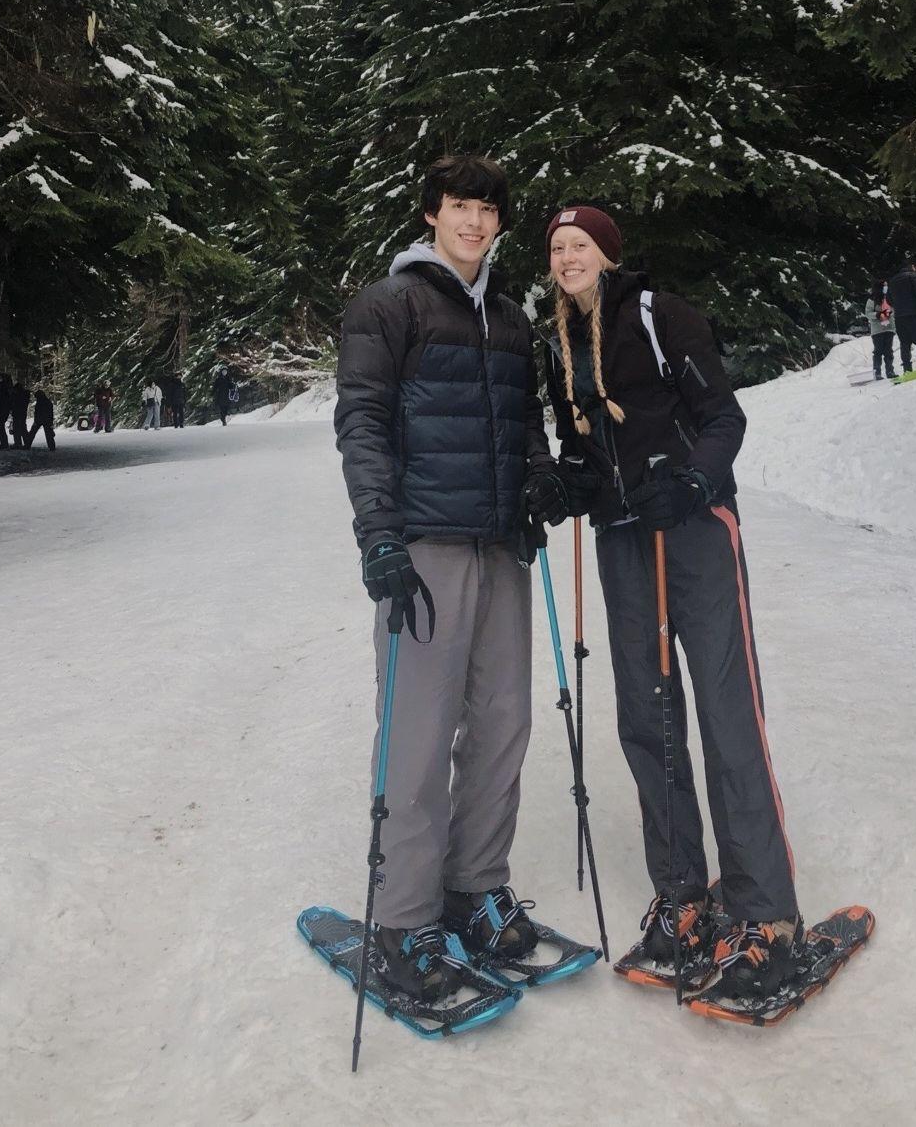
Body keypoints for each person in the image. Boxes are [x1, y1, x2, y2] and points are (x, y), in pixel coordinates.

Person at [543, 205, 802, 999]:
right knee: (646, 719)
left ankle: (765, 912)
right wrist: (573, 480)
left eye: (579, 244)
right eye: (556, 248)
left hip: (692, 532)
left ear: (608, 254)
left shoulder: (660, 316)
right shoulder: (555, 342)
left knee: (727, 713)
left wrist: (693, 478)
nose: (567, 256)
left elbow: (724, 416)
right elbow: (578, 443)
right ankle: (683, 894)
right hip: (625, 542)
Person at [334, 154, 566, 1003]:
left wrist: (539, 473)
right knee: (420, 732)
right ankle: (402, 917)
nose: (473, 221)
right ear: (432, 214)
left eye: (487, 209)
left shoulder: (508, 317)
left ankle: (473, 885)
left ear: (501, 223)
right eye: (459, 206)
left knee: (504, 722)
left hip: (501, 547)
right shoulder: (388, 305)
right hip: (425, 545)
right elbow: (360, 423)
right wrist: (379, 537)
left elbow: (525, 422)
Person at [887, 255, 916, 373]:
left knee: (905, 342)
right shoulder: (914, 276)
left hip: (900, 317)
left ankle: (907, 368)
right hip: (915, 313)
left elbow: (889, 300)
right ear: (913, 266)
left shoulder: (893, 280)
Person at [864, 279, 896, 380]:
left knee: (889, 351)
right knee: (878, 352)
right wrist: (878, 315)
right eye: (884, 286)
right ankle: (877, 372)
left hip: (889, 328)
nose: (886, 288)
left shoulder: (889, 298)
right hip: (877, 330)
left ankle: (890, 371)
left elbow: (893, 310)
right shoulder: (871, 300)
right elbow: (868, 313)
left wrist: (889, 313)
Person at [9, 378, 31, 447]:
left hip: (17, 413)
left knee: (17, 429)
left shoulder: (19, 396)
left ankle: (18, 443)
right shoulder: (24, 395)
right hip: (22, 413)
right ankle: (26, 443)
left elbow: (14, 403)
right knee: (22, 428)